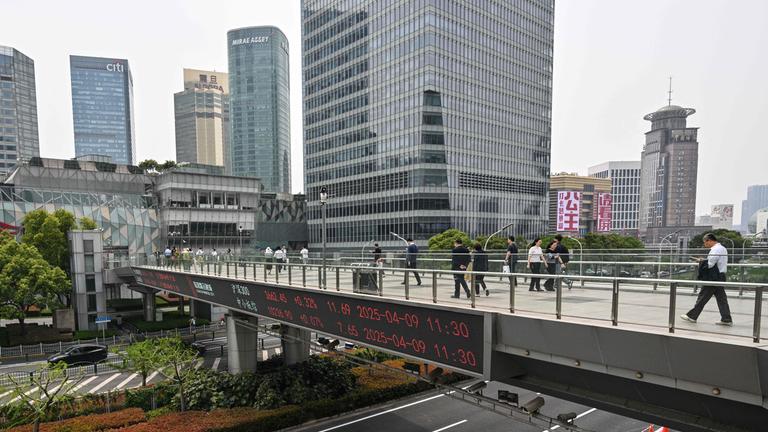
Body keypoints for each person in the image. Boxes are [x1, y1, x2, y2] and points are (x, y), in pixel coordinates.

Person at [681, 233, 733, 326]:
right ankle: (726, 319)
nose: (705, 244)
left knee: (703, 296)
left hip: (713, 277)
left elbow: (710, 264)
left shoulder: (715, 249)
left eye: (705, 242)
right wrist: (704, 260)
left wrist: (701, 261)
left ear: (709, 240)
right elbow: (714, 262)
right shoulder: (722, 248)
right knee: (721, 299)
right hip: (721, 276)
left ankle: (692, 316)